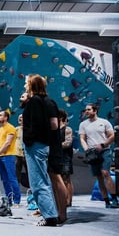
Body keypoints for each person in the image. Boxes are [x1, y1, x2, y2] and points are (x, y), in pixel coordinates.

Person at [22, 74, 59, 226]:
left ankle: (49, 216)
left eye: (27, 83)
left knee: (38, 182)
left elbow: (35, 124)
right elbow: (54, 125)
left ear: (31, 85)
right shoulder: (49, 102)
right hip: (43, 145)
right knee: (43, 180)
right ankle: (51, 213)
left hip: (35, 145)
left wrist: (29, 140)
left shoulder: (34, 102)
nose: (25, 85)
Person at [79, 103, 119, 208]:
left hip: (104, 151)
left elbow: (112, 136)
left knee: (105, 173)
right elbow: (82, 138)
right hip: (91, 153)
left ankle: (114, 199)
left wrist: (103, 144)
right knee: (99, 177)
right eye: (85, 110)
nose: (86, 111)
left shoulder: (104, 122)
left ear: (95, 110)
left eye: (88, 109)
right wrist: (86, 149)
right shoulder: (83, 124)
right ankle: (106, 202)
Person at [44, 92, 68, 224]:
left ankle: (63, 213)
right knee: (54, 180)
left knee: (58, 178)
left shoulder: (58, 127)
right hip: (52, 147)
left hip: (54, 149)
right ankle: (59, 211)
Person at [0, 110, 21, 208]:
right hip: (0, 157)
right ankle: (9, 200)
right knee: (4, 179)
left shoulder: (11, 128)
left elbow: (8, 143)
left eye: (0, 115)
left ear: (6, 117)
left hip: (8, 156)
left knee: (12, 178)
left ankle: (17, 201)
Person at [59, 108, 74, 207]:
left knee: (66, 179)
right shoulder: (54, 130)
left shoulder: (67, 129)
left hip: (65, 157)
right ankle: (62, 199)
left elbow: (67, 143)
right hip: (56, 156)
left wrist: (54, 146)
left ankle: (68, 201)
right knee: (59, 179)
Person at [14, 113, 28, 188]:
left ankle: (32, 190)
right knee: (17, 172)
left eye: (22, 117)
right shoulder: (16, 129)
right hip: (18, 154)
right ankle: (16, 189)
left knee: (29, 172)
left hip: (27, 154)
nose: (20, 118)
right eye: (19, 117)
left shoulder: (29, 129)